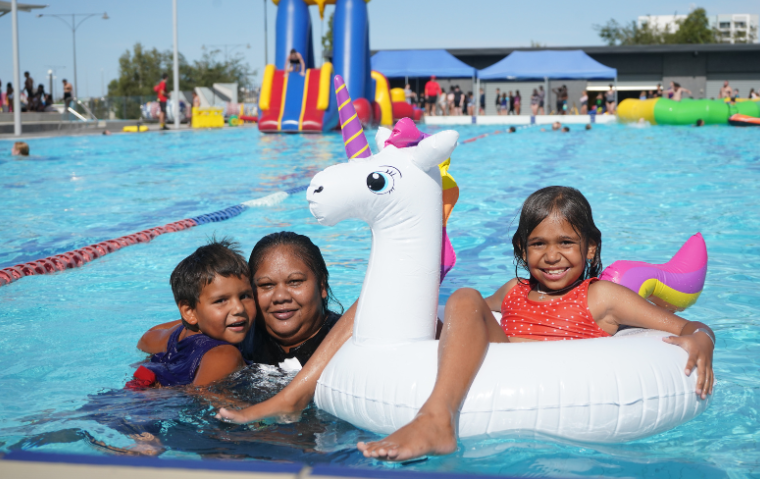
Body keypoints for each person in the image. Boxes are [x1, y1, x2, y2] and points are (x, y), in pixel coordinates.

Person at [219, 187, 716, 462]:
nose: (553, 255)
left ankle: (436, 419)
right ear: (522, 251)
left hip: (559, 390)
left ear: (589, 249)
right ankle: (295, 393)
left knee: (461, 297)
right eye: (538, 244)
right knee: (414, 300)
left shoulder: (602, 296)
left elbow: (687, 326)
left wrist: (703, 341)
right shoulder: (514, 293)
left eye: (567, 243)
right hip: (505, 370)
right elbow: (464, 317)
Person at [125, 239, 254, 390]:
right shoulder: (225, 354)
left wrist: (197, 317)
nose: (239, 308)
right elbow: (205, 400)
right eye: (221, 301)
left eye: (245, 296)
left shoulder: (175, 336)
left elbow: (146, 339)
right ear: (188, 312)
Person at [237, 231, 356, 368]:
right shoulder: (240, 337)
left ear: (322, 286)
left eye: (295, 281)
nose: (280, 297)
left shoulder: (351, 345)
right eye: (266, 285)